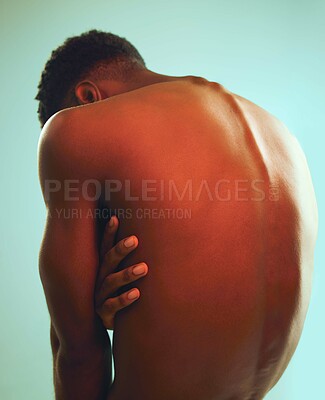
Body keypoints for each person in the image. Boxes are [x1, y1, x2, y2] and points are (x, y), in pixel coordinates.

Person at [36, 29, 318, 400]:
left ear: (87, 97)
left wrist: (86, 305)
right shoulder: (282, 138)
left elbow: (78, 355)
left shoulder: (73, 128)